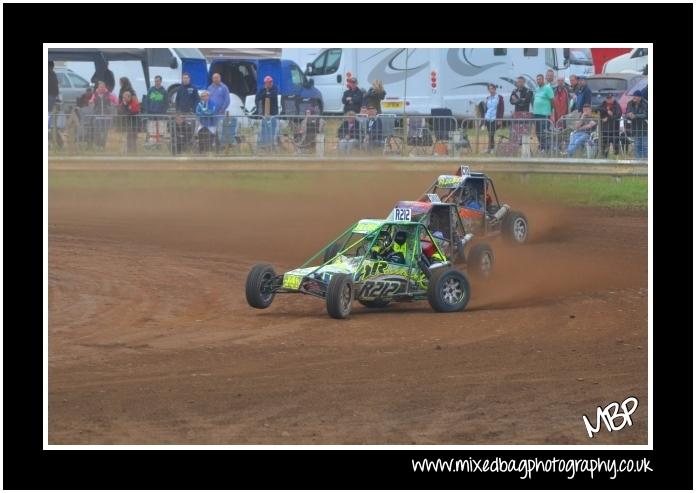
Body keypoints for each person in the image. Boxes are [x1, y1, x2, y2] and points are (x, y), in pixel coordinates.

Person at [88, 81, 118, 149]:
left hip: (106, 116)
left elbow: (116, 102)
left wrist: (112, 107)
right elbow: (90, 102)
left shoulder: (109, 94)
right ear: (98, 87)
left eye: (103, 87)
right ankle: (98, 145)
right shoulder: (95, 95)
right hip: (97, 116)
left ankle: (102, 145)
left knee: (104, 132)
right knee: (97, 131)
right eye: (100, 87)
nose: (101, 88)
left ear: (105, 87)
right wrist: (90, 102)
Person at [532, 74, 554, 153]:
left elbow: (552, 100)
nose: (538, 81)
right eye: (537, 79)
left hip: (544, 114)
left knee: (544, 131)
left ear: (543, 80)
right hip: (536, 114)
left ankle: (546, 148)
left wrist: (551, 112)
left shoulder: (548, 88)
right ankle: (541, 146)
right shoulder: (537, 89)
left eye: (540, 79)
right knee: (538, 132)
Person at [256, 75, 279, 148]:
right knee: (264, 129)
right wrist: (266, 92)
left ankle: (271, 144)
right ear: (265, 83)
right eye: (267, 82)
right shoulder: (262, 89)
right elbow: (258, 97)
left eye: (270, 82)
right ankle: (263, 144)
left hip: (273, 113)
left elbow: (272, 96)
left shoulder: (275, 88)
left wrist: (266, 94)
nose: (269, 84)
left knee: (272, 129)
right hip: (265, 114)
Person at [145, 75, 169, 145]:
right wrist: (148, 110)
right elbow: (147, 101)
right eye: (155, 81)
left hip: (161, 114)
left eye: (158, 81)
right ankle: (151, 143)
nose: (156, 82)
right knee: (151, 129)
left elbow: (166, 103)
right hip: (151, 114)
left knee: (161, 129)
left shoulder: (164, 91)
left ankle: (160, 144)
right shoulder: (150, 90)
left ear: (160, 81)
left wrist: (163, 111)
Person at [625, 90, 648, 159]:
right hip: (635, 127)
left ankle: (644, 161)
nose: (634, 97)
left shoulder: (645, 103)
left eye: (636, 96)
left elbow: (646, 114)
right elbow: (627, 112)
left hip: (644, 127)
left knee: (643, 145)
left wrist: (635, 116)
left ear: (640, 97)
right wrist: (629, 114)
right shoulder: (630, 103)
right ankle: (637, 161)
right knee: (636, 145)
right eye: (633, 96)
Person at [598, 93, 622, 157]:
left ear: (613, 98)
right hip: (605, 129)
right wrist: (606, 110)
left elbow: (618, 115)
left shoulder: (617, 105)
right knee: (604, 144)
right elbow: (598, 109)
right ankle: (604, 157)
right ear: (606, 99)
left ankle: (616, 158)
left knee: (615, 145)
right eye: (608, 98)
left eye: (610, 98)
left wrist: (608, 117)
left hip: (614, 129)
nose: (609, 100)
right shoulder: (603, 104)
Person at [484, 83, 504, 153]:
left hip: (495, 118)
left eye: (492, 88)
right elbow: (486, 108)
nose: (491, 90)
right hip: (488, 118)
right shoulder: (487, 98)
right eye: (489, 89)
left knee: (491, 133)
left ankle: (491, 148)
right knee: (490, 134)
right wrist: (484, 119)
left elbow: (501, 109)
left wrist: (500, 119)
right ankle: (490, 148)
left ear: (495, 89)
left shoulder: (499, 97)